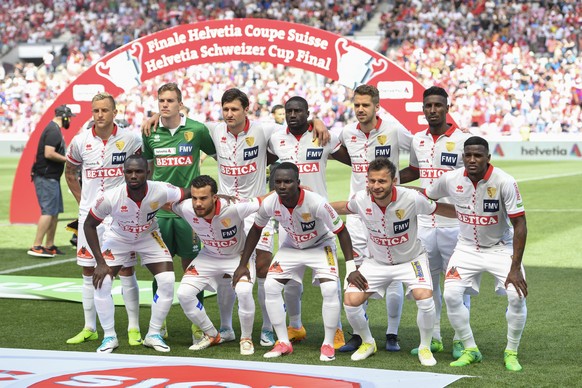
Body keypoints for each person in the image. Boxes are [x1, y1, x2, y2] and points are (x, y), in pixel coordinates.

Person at [331, 158, 456, 365]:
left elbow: (439, 209)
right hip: (376, 263)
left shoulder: (412, 198)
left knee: (424, 298)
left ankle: (425, 347)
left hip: (411, 260)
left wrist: (469, 215)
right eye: (372, 181)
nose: (376, 186)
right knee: (351, 301)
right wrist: (317, 206)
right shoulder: (360, 199)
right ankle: (368, 342)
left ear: (394, 181)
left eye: (382, 181)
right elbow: (344, 207)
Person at [424, 136, 528, 372]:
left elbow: (520, 224)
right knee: (451, 295)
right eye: (468, 155)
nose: (472, 160)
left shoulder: (504, 181)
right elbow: (428, 194)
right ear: (463, 157)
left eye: (478, 155)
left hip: (500, 247)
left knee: (516, 296)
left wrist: (514, 267)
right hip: (466, 248)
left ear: (488, 158)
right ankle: (471, 350)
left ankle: (511, 351)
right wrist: (396, 190)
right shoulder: (451, 179)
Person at [233, 162, 354, 362]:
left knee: (330, 289)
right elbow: (256, 229)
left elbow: (341, 231)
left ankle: (328, 343)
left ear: (298, 183)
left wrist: (350, 268)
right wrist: (243, 264)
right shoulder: (270, 202)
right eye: (278, 182)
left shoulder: (316, 202)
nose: (282, 186)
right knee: (271, 285)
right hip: (291, 246)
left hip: (320, 245)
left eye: (288, 181)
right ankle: (283, 342)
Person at [267, 96, 352, 349]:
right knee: (290, 282)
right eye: (289, 111)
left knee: (331, 282)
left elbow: (353, 161)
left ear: (307, 113)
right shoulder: (275, 138)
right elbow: (264, 161)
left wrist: (320, 123)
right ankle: (295, 326)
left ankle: (336, 331)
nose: (293, 115)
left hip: (321, 220)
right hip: (288, 222)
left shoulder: (323, 136)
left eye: (298, 111)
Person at [84, 155, 187, 353]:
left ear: (147, 173)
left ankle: (153, 334)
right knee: (102, 282)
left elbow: (188, 192)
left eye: (138, 171)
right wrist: (100, 262)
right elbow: (89, 224)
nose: (133, 175)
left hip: (149, 236)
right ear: (123, 173)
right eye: (129, 172)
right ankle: (109, 337)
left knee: (166, 280)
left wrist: (217, 196)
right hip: (118, 238)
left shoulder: (162, 189)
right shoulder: (110, 197)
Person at [337, 84, 413, 353]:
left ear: (376, 106)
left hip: (390, 212)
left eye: (365, 105)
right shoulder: (347, 132)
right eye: (356, 104)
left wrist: (398, 182)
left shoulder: (393, 129)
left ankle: (392, 333)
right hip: (359, 214)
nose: (360, 109)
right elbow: (333, 147)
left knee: (392, 273)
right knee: (356, 272)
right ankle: (359, 334)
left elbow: (417, 154)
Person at [399, 86, 472, 359]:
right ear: (423, 109)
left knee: (458, 284)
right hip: (424, 224)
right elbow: (414, 172)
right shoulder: (418, 140)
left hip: (455, 224)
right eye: (428, 105)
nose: (432, 110)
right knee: (428, 285)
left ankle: (460, 339)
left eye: (437, 105)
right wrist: (388, 178)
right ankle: (436, 337)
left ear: (447, 107)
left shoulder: (464, 139)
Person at [65, 92, 142, 346]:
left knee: (127, 270)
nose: (100, 115)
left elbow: (141, 172)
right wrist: (82, 203)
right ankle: (90, 327)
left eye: (105, 110)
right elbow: (70, 172)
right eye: (96, 111)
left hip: (120, 217)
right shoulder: (80, 141)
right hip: (91, 218)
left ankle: (133, 328)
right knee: (88, 270)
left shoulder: (130, 139)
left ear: (114, 112)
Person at [142, 82, 217, 341]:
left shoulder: (196, 130)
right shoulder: (149, 131)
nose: (165, 105)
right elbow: (148, 170)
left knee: (192, 269)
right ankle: (158, 327)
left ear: (180, 103)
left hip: (189, 212)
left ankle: (198, 326)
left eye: (170, 101)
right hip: (160, 213)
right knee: (161, 271)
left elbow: (219, 154)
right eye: (161, 100)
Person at [172, 175, 268, 355]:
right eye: (194, 198)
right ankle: (211, 334)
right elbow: (160, 200)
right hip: (208, 256)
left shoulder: (235, 208)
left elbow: (265, 199)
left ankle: (246, 338)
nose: (197, 203)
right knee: (184, 294)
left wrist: (301, 191)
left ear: (215, 197)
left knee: (244, 291)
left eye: (203, 198)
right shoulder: (185, 208)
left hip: (237, 258)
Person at [28, 105, 72, 258]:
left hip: (52, 177)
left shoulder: (53, 129)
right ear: (64, 117)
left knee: (54, 212)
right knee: (48, 211)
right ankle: (36, 245)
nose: (70, 121)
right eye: (69, 117)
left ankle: (49, 245)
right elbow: (49, 153)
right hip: (46, 177)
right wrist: (67, 159)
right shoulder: (53, 130)